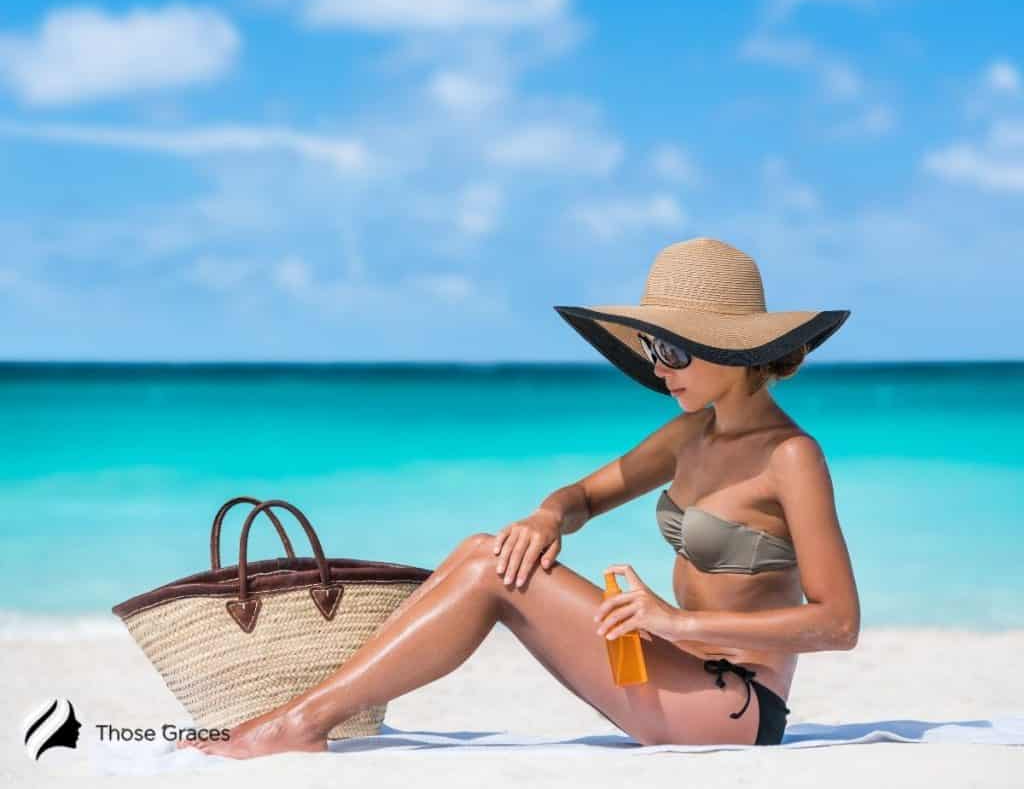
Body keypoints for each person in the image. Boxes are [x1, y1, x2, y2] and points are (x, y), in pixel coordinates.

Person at [177, 236, 859, 758]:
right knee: (488, 548)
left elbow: (838, 623)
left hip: (735, 707)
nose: (656, 367)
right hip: (678, 671)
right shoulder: (690, 435)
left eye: (672, 350)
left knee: (488, 571)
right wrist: (547, 517)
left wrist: (675, 624)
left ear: (731, 349)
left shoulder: (790, 457)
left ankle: (301, 721)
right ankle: (321, 707)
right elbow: (583, 496)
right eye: (653, 346)